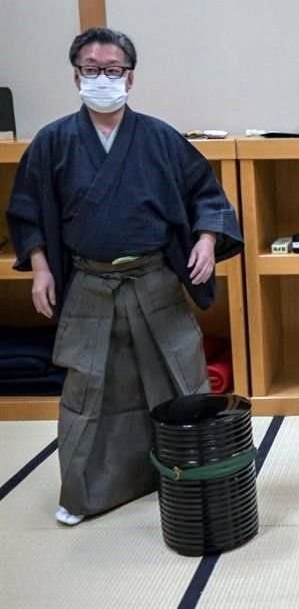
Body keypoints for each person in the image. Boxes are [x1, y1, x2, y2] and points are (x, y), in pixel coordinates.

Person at [5, 27, 242, 526]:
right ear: (76, 76)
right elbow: (26, 212)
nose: (102, 79)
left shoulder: (159, 138)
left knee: (180, 379)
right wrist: (41, 269)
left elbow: (206, 195)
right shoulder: (53, 142)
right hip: (90, 285)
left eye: (112, 71)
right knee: (89, 393)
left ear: (129, 79)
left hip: (154, 281)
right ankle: (89, 493)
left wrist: (204, 240)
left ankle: (186, 476)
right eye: (91, 70)